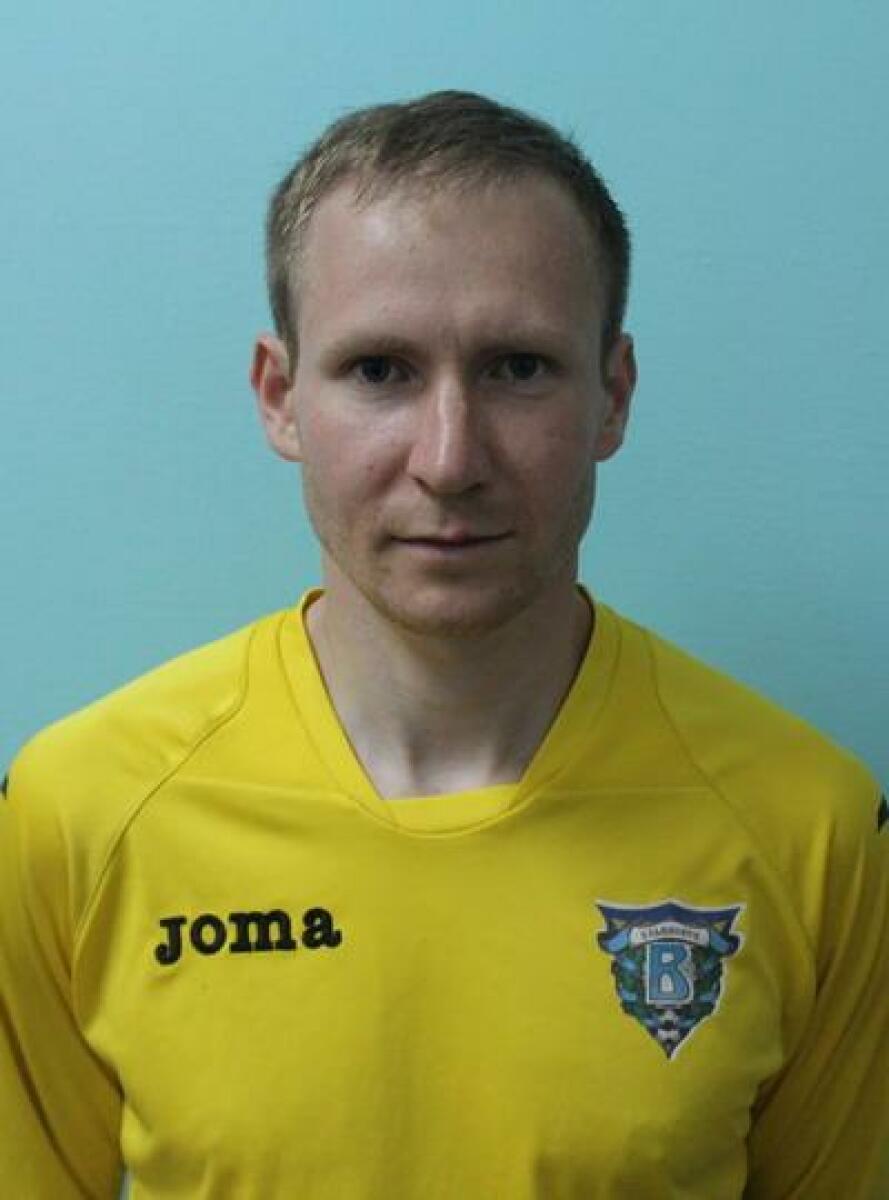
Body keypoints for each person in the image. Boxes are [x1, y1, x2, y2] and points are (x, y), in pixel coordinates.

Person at [1, 89, 886, 1200]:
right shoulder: (79, 814)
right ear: (280, 398)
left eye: (517, 367)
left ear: (612, 397)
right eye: (380, 370)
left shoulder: (808, 828)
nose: (449, 459)